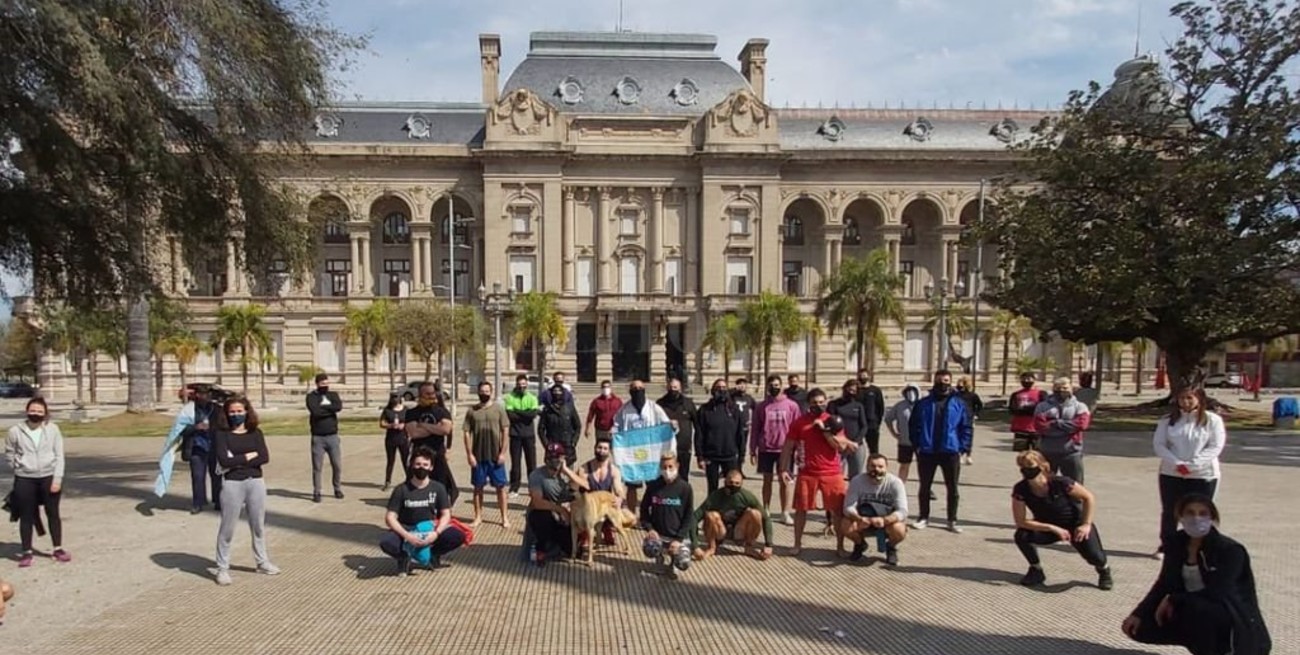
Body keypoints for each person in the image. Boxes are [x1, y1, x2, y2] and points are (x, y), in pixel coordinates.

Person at [1121, 494, 1271, 655]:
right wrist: (1139, 613)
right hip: (1190, 608)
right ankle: (1198, 644)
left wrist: (1174, 599)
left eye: (1203, 513)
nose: (1196, 518)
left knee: (1198, 610)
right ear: (1181, 516)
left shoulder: (1230, 550)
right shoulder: (1176, 543)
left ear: (1212, 517)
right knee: (1140, 628)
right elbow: (1164, 582)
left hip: (1229, 615)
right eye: (1190, 513)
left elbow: (1219, 592)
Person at [1011, 450, 1112, 590]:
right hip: (1050, 528)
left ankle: (1104, 570)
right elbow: (1021, 521)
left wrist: (1086, 524)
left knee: (1095, 556)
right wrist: (1052, 528)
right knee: (1022, 535)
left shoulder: (1061, 483)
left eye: (1030, 466)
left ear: (1043, 466)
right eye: (1022, 467)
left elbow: (1088, 497)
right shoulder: (1021, 489)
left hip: (1074, 524)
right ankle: (1036, 569)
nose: (1026, 470)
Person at [781, 389, 856, 557]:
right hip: (807, 472)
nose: (818, 405)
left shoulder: (833, 421)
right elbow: (788, 446)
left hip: (832, 472)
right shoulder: (799, 422)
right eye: (814, 403)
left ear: (826, 402)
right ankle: (797, 544)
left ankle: (840, 546)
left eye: (821, 402)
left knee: (837, 511)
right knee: (801, 510)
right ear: (808, 404)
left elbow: (841, 446)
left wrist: (825, 431)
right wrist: (783, 468)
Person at [213, 397, 279, 586]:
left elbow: (264, 457)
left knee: (258, 525)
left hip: (255, 482)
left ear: (246, 411)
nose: (236, 415)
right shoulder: (222, 435)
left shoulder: (255, 433)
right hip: (232, 483)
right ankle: (222, 568)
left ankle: (262, 561)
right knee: (228, 527)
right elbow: (225, 461)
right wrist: (249, 456)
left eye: (239, 411)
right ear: (227, 414)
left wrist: (237, 459)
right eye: (232, 412)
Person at [1152, 388, 1225, 558]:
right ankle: (1167, 546)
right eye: (1182, 398)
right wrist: (1177, 463)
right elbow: (1159, 445)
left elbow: (1215, 446)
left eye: (1190, 398)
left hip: (1202, 474)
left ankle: (1201, 546)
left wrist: (1193, 465)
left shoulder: (1212, 420)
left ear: (1199, 399)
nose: (1185, 402)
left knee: (1200, 512)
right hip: (1172, 474)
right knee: (1170, 512)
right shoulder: (1167, 421)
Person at [380, 447, 467, 576]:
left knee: (457, 536)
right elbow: (390, 517)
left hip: (429, 529)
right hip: (407, 530)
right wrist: (407, 535)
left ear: (431, 467)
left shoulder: (438, 488)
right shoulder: (401, 489)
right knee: (387, 543)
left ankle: (433, 554)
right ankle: (404, 557)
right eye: (418, 464)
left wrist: (436, 533)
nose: (421, 468)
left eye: (425, 465)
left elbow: (446, 514)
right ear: (411, 465)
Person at [5, 398, 69, 567]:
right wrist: (18, 465)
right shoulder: (15, 431)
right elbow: (9, 452)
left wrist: (57, 479)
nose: (36, 414)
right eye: (33, 410)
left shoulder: (53, 429)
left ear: (45, 413)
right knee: (26, 515)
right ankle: (26, 552)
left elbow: (59, 455)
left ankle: (58, 548)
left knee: (53, 513)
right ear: (27, 411)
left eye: (40, 411)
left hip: (48, 476)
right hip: (25, 478)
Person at [908, 369, 973, 533]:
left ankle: (952, 520)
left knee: (953, 488)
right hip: (927, 451)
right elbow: (913, 425)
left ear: (950, 382)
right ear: (934, 381)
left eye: (945, 381)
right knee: (925, 486)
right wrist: (917, 445)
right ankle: (923, 517)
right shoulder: (923, 403)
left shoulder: (959, 403)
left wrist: (963, 447)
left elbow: (966, 426)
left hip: (950, 451)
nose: (942, 384)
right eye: (939, 380)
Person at [611, 379, 675, 518]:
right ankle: (632, 516)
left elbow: (665, 423)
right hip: (632, 454)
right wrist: (613, 433)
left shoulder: (654, 407)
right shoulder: (624, 410)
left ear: (645, 389)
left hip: (651, 453)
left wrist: (671, 425)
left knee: (654, 485)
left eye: (640, 388)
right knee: (632, 486)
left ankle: (653, 515)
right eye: (634, 388)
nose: (638, 391)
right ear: (630, 391)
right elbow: (616, 426)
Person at [526, 442, 589, 565]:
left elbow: (586, 486)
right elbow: (537, 502)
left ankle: (576, 544)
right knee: (542, 517)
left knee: (573, 549)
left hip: (564, 518)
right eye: (551, 457)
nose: (554, 460)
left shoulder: (566, 475)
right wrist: (560, 510)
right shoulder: (537, 475)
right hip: (544, 513)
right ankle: (540, 550)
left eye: (558, 457)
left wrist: (567, 471)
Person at [691, 469, 773, 561]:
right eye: (730, 482)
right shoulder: (716, 496)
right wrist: (695, 546)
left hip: (739, 530)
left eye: (737, 483)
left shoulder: (746, 496)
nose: (733, 485)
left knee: (756, 514)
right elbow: (695, 517)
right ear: (725, 482)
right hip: (720, 530)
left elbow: (766, 518)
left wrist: (768, 544)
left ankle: (749, 546)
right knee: (711, 515)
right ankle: (711, 547)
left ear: (741, 484)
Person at [841, 453, 908, 566]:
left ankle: (891, 547)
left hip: (886, 521)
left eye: (880, 467)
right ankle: (860, 544)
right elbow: (848, 507)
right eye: (872, 466)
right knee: (845, 524)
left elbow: (903, 510)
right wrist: (859, 518)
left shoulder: (895, 482)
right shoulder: (857, 481)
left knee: (899, 529)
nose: (876, 469)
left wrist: (886, 520)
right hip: (863, 520)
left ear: (886, 468)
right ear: (867, 467)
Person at [750, 375, 799, 525]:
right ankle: (766, 509)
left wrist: (798, 449)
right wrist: (752, 449)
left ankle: (785, 512)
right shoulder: (761, 406)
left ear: (782, 386)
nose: (774, 387)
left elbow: (797, 428)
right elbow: (755, 428)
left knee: (785, 481)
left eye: (777, 385)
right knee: (767, 480)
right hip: (766, 448)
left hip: (785, 449)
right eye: (771, 385)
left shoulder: (791, 405)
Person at [463, 381, 510, 529]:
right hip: (478, 456)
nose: (484, 393)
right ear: (478, 392)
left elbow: (505, 431)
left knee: (501, 488)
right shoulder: (472, 411)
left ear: (491, 392)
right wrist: (469, 454)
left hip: (495, 456)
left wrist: (503, 453)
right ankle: (478, 517)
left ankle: (504, 517)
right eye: (482, 391)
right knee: (478, 488)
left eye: (487, 391)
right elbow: (466, 433)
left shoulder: (499, 409)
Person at [640, 453, 695, 579]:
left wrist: (679, 539)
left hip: (677, 535)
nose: (667, 470)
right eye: (664, 467)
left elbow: (689, 515)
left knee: (683, 563)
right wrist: (650, 529)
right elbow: (643, 509)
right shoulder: (653, 486)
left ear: (677, 466)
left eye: (670, 467)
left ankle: (674, 562)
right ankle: (660, 559)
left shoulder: (685, 488)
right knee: (649, 548)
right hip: (658, 534)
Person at [403, 383, 458, 504]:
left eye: (433, 393)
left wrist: (423, 425)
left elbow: (446, 430)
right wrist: (436, 428)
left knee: (441, 484)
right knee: (416, 482)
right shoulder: (412, 413)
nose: (431, 396)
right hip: (419, 454)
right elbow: (414, 433)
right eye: (427, 394)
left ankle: (441, 506)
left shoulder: (442, 411)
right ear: (420, 395)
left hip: (437, 454)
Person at [1033, 377, 1092, 484]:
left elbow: (1082, 425)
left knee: (1075, 484)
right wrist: (1067, 428)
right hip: (1047, 451)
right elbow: (1040, 426)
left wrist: (1055, 423)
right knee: (1044, 484)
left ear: (1072, 389)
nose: (1061, 390)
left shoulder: (1080, 407)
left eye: (1065, 388)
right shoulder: (1042, 407)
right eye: (1058, 388)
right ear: (1053, 389)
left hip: (1071, 452)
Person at [695, 379, 745, 492]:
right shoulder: (704, 409)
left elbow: (740, 434)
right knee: (712, 488)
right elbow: (699, 434)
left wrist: (741, 455)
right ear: (713, 390)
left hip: (730, 455)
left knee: (732, 488)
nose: (721, 390)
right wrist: (700, 456)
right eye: (718, 388)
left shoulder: (734, 409)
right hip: (711, 456)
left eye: (724, 388)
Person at [577, 437, 625, 545]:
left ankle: (607, 527)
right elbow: (579, 488)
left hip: (604, 505)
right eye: (599, 447)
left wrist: (620, 498)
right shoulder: (584, 468)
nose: (601, 451)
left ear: (609, 451)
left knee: (617, 503)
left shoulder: (614, 470)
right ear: (594, 448)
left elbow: (619, 489)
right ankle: (584, 531)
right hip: (588, 506)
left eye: (605, 448)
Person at [305, 373, 343, 503]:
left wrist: (324, 407)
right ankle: (317, 491)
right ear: (317, 384)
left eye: (327, 383)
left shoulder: (333, 395)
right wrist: (329, 409)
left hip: (332, 436)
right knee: (317, 467)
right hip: (318, 437)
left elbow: (338, 407)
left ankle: (337, 488)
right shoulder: (311, 397)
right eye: (322, 384)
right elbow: (315, 412)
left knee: (337, 465)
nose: (325, 386)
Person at [504, 375, 539, 499]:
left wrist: (517, 411)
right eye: (519, 384)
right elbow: (511, 416)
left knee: (531, 463)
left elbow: (532, 415)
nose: (521, 387)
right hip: (515, 435)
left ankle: (533, 487)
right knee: (515, 463)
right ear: (516, 384)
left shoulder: (532, 398)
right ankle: (514, 487)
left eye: (524, 384)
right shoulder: (510, 397)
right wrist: (525, 414)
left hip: (529, 435)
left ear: (527, 384)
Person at [658, 377, 698, 479]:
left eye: (675, 387)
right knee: (666, 477)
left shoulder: (688, 403)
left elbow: (697, 425)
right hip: (666, 448)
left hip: (683, 447)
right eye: (671, 387)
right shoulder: (660, 404)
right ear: (667, 387)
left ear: (680, 388)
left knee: (683, 477)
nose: (673, 390)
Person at [829, 379, 869, 479]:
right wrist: (842, 441)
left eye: (854, 391)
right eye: (849, 390)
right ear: (844, 389)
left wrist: (856, 442)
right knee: (837, 475)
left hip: (856, 445)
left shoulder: (859, 406)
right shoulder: (834, 404)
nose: (851, 392)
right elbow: (830, 423)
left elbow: (864, 426)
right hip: (839, 444)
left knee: (856, 477)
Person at [883, 385, 921, 485]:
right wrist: (894, 433)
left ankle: (925, 487)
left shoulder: (923, 405)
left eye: (913, 391)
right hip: (905, 442)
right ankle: (901, 485)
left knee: (923, 466)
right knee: (904, 465)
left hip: (921, 442)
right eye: (908, 391)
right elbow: (888, 419)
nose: (911, 394)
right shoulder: (900, 406)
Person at [538, 385, 582, 466]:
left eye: (559, 391)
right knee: (552, 470)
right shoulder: (547, 410)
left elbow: (578, 426)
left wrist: (574, 442)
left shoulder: (570, 408)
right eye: (555, 391)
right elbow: (541, 429)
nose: (557, 393)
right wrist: (546, 444)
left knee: (568, 470)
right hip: (553, 445)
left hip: (567, 444)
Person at [1009, 373, 1047, 452]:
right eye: (1024, 379)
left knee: (1038, 453)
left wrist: (1024, 410)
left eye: (1029, 379)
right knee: (1022, 454)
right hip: (1020, 428)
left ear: (1034, 380)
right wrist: (1030, 410)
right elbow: (1013, 409)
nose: (1026, 381)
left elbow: (1043, 409)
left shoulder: (1041, 393)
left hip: (1037, 429)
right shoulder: (1016, 394)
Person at [379, 394, 408, 492]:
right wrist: (391, 425)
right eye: (394, 398)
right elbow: (382, 423)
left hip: (403, 438)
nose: (395, 400)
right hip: (391, 439)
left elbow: (411, 422)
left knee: (406, 461)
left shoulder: (405, 410)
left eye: (397, 398)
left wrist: (404, 425)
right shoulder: (387, 410)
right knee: (390, 461)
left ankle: (409, 479)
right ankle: (387, 481)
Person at [855, 369, 887, 456]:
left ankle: (873, 462)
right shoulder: (855, 391)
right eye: (860, 376)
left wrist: (877, 422)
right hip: (858, 424)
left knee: (873, 449)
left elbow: (880, 407)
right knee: (856, 447)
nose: (862, 377)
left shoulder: (875, 390)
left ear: (869, 376)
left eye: (864, 375)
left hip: (872, 424)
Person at [730, 378, 756, 474]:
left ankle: (739, 469)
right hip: (733, 427)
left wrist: (752, 420)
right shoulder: (732, 397)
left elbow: (756, 409)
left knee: (742, 449)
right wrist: (734, 390)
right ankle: (730, 469)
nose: (742, 386)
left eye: (744, 384)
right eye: (739, 384)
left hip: (744, 427)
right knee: (731, 448)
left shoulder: (749, 398)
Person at [955, 376, 983, 465]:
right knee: (958, 436)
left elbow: (979, 405)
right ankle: (959, 454)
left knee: (968, 437)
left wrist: (976, 414)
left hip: (969, 418)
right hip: (958, 418)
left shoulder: (972, 395)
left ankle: (968, 455)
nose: (960, 386)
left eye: (962, 384)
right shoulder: (956, 395)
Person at [584, 379, 622, 443]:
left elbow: (622, 415)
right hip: (600, 430)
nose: (606, 389)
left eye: (607, 387)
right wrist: (587, 428)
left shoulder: (618, 401)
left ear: (611, 388)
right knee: (600, 447)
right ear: (601, 388)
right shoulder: (596, 401)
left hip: (614, 430)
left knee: (614, 448)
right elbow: (590, 416)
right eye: (604, 387)